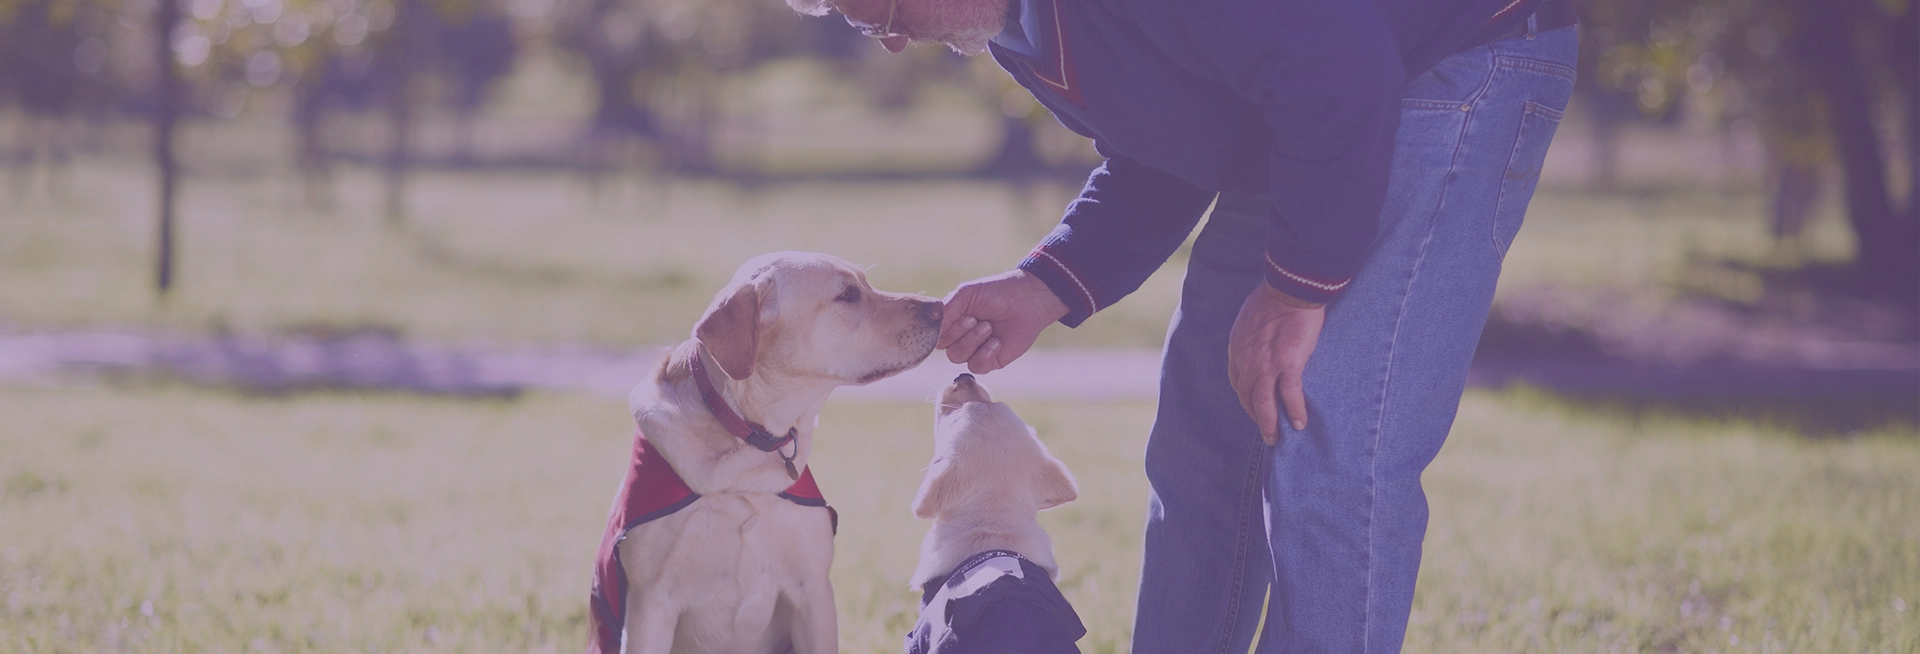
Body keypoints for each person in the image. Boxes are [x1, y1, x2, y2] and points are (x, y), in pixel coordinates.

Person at [786, 0, 1579, 650]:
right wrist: (1046, 284)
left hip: (1446, 58)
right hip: (1308, 111)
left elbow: (1340, 67)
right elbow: (1178, 141)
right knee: (1202, 442)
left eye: (886, 14)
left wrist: (1295, 291)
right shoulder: (1015, 30)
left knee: (1332, 445)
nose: (894, 43)